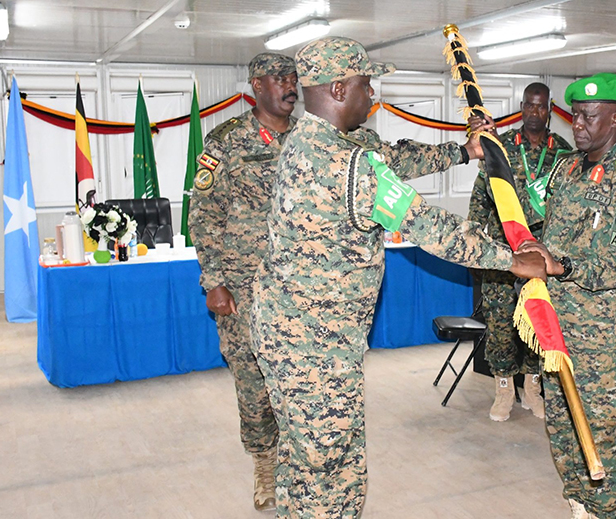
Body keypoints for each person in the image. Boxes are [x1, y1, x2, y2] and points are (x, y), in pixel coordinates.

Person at [248, 37, 547, 518]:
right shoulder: (340, 166)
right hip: (311, 346)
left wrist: (465, 150)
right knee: (326, 467)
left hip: (295, 334)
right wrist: (513, 258)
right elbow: (428, 225)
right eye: (368, 85)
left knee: (309, 461)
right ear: (341, 88)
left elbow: (394, 155)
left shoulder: (312, 138)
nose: (374, 96)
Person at [520, 73, 616, 519]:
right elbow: (556, 234)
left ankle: (603, 512)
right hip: (557, 327)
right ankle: (577, 504)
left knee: (595, 434)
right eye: (575, 114)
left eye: (589, 116)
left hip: (602, 336)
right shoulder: (567, 168)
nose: (577, 124)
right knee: (561, 429)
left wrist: (563, 265)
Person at [188, 52, 298, 512]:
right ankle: (265, 466)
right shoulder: (226, 142)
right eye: (280, 78)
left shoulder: (313, 138)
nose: (290, 86)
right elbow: (204, 214)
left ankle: (299, 461)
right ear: (256, 85)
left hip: (300, 288)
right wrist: (213, 280)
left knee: (298, 380)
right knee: (253, 384)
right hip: (244, 290)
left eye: (294, 78)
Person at [468, 82, 572, 422]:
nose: (534, 113)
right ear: (522, 106)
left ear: (550, 109)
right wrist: (474, 247)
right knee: (500, 324)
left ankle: (532, 386)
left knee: (536, 320)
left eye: (541, 107)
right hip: (502, 253)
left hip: (542, 255)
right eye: (529, 105)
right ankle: (503, 390)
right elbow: (481, 196)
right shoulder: (501, 148)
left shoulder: (564, 153)